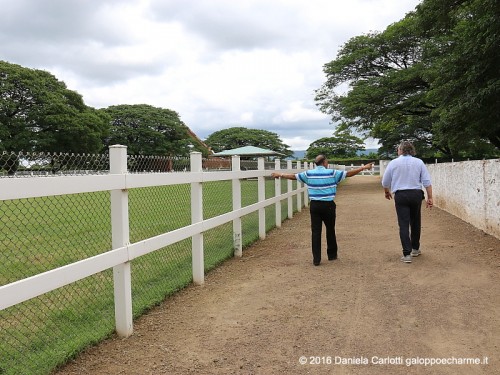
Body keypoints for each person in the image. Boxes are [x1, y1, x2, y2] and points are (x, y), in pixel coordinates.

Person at [271, 155, 373, 266]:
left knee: (315, 232)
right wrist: (363, 168)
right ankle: (332, 255)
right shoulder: (332, 172)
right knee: (330, 229)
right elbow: (348, 174)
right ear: (324, 162)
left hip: (315, 205)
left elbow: (293, 176)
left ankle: (316, 259)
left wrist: (280, 174)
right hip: (328, 205)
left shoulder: (308, 174)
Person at [381, 141, 433, 263]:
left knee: (403, 223)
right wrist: (429, 197)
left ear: (400, 150)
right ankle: (415, 249)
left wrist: (386, 192)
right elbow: (427, 182)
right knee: (415, 222)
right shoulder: (419, 162)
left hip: (401, 195)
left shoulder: (393, 163)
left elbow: (385, 182)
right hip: (415, 194)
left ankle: (406, 254)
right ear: (411, 150)